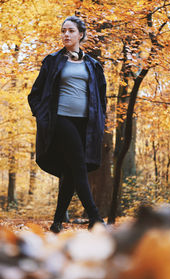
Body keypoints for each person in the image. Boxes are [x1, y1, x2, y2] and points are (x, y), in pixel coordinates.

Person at [28, 16, 106, 233]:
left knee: (70, 171)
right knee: (79, 166)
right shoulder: (52, 61)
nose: (66, 34)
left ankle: (56, 223)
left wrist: (101, 121)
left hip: (86, 124)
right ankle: (96, 218)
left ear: (81, 34)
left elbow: (101, 98)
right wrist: (43, 118)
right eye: (63, 31)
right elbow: (34, 95)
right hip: (60, 120)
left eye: (71, 31)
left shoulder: (93, 65)